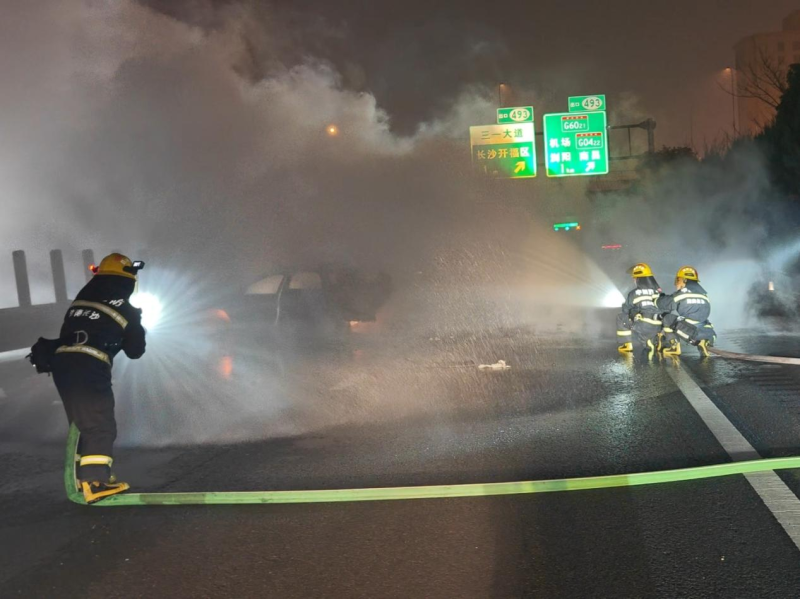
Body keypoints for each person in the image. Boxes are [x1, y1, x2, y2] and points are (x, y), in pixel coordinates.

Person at [51, 253, 146, 503]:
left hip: (62, 363)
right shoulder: (127, 309)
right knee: (99, 424)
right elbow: (136, 351)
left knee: (82, 423)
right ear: (127, 280)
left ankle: (85, 479)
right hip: (89, 365)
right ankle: (95, 482)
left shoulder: (81, 301)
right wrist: (136, 323)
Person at [656, 266, 715, 357]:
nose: (676, 284)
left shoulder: (682, 293)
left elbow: (665, 304)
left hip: (691, 331)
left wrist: (657, 298)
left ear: (684, 280)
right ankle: (706, 342)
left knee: (667, 318)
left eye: (678, 280)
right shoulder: (704, 295)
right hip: (708, 331)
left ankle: (675, 347)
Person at [616, 263, 663, 362]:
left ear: (639, 279)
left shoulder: (634, 293)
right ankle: (654, 338)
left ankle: (627, 344)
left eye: (634, 278)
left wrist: (631, 312)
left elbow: (625, 309)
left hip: (643, 325)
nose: (633, 280)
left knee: (621, 316)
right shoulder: (658, 292)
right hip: (659, 325)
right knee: (647, 342)